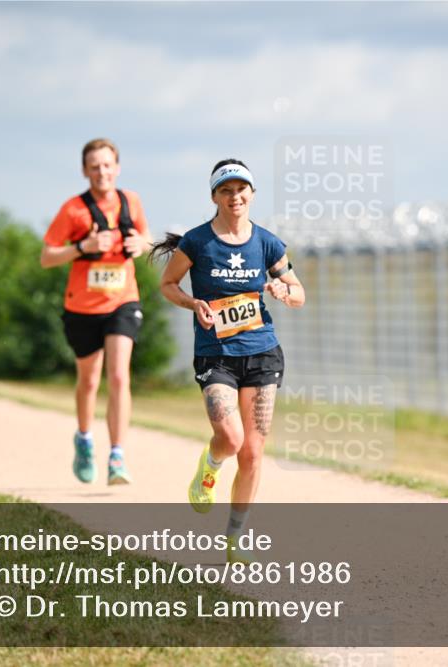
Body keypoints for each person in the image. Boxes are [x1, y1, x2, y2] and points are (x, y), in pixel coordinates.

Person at [152, 159, 305, 563]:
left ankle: (235, 536)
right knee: (231, 439)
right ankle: (211, 463)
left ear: (251, 194)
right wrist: (193, 303)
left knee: (253, 452)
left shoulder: (268, 243)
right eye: (226, 190)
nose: (234, 197)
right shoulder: (198, 242)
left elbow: (299, 292)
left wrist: (282, 290)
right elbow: (168, 285)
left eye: (241, 189)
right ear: (214, 196)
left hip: (262, 353)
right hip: (216, 355)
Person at [40, 138, 153, 486]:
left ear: (116, 168)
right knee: (89, 381)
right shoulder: (74, 210)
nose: (102, 172)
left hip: (122, 300)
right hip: (82, 306)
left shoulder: (130, 201)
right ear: (85, 171)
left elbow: (146, 236)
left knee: (119, 376)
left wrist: (141, 244)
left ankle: (117, 454)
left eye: (107, 165)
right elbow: (46, 256)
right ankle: (85, 439)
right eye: (94, 166)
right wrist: (82, 247)